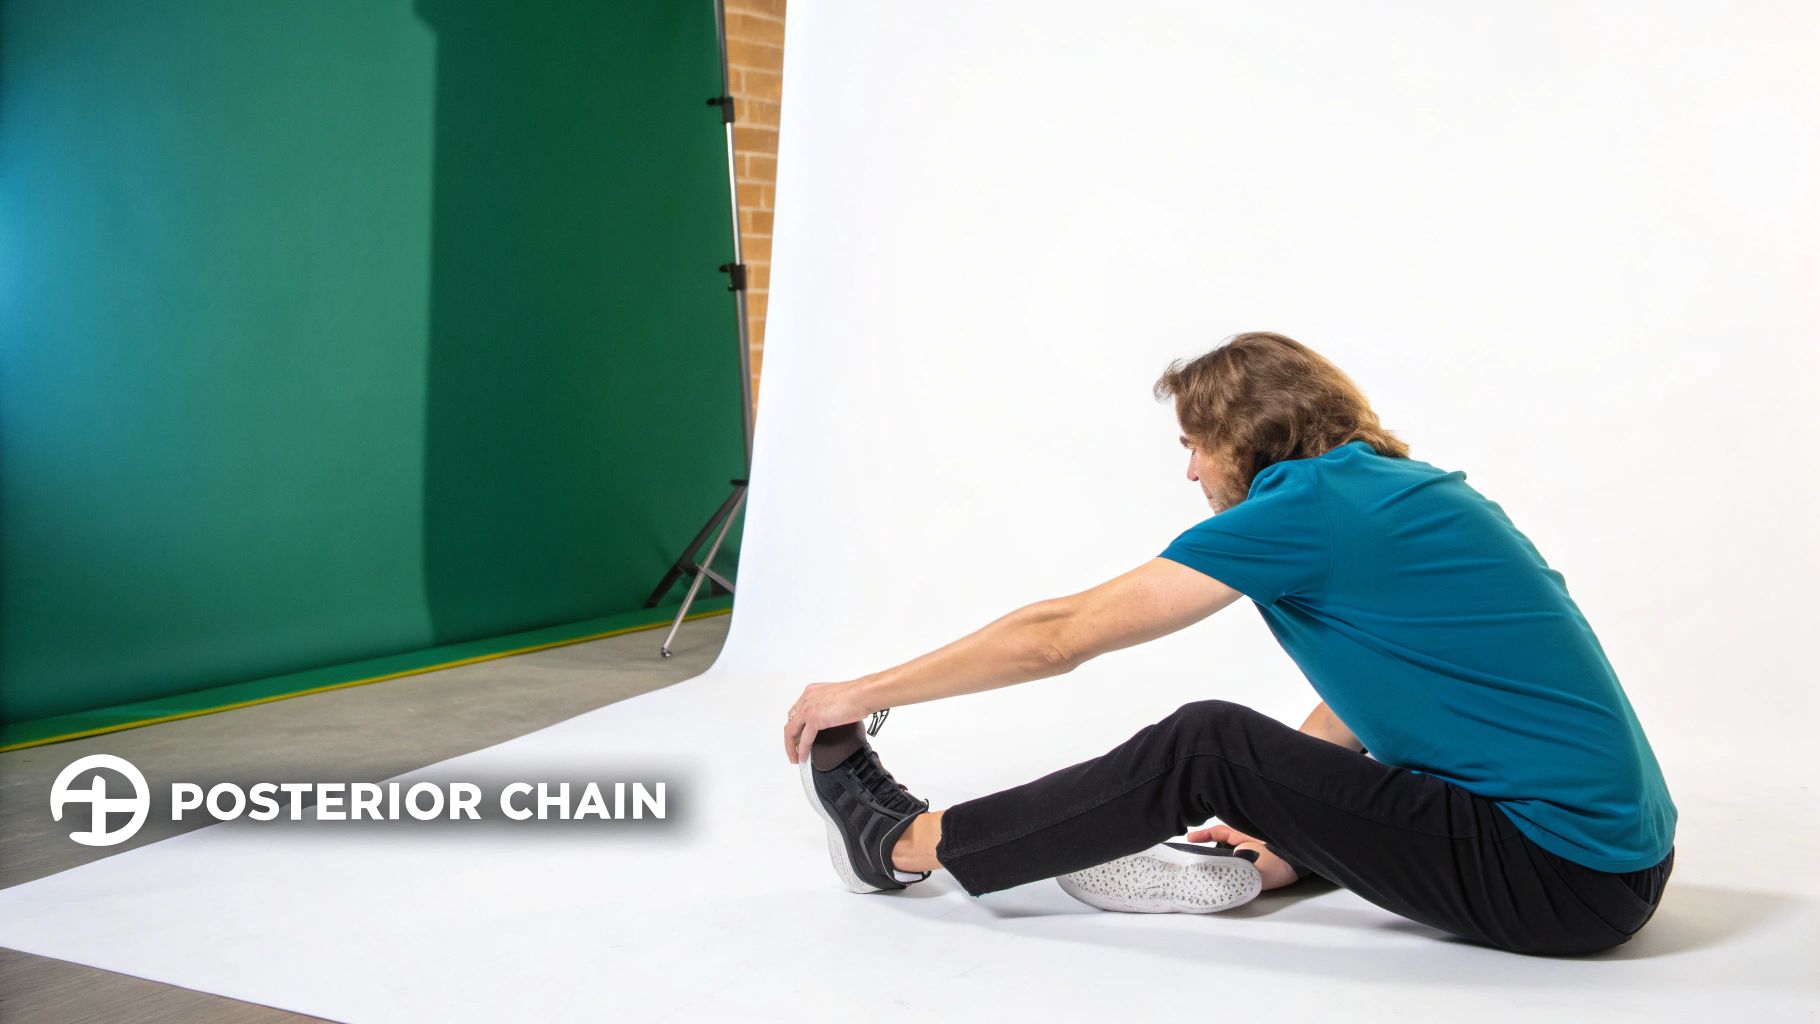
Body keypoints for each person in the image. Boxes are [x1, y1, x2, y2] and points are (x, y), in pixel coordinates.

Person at [784, 331, 1676, 956]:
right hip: (1617, 867)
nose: (1190, 472)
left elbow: (1056, 639)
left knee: (1209, 743)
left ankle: (903, 846)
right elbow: (1393, 685)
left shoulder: (1303, 509)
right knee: (1279, 763)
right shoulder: (1403, 493)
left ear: (1242, 437)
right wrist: (1288, 809)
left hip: (1559, 881)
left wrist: (857, 693)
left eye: (1194, 445)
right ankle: (1280, 858)